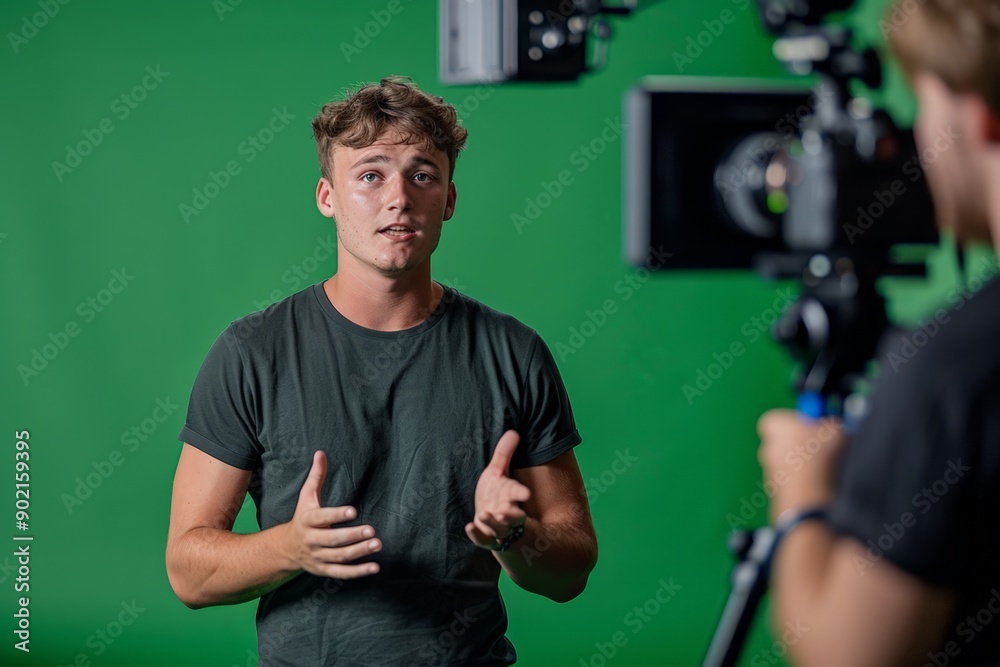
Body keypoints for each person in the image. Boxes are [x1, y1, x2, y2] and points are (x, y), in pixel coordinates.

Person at [165, 76, 598, 666]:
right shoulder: (251, 351)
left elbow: (570, 573)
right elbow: (189, 574)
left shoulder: (512, 351)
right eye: (370, 174)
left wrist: (514, 535)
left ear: (448, 199)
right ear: (327, 196)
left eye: (422, 174)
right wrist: (291, 547)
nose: (399, 197)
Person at [756, 0, 1000, 664]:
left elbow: (848, 655)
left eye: (925, 108)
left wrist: (803, 498)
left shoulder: (954, 368)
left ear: (977, 114)